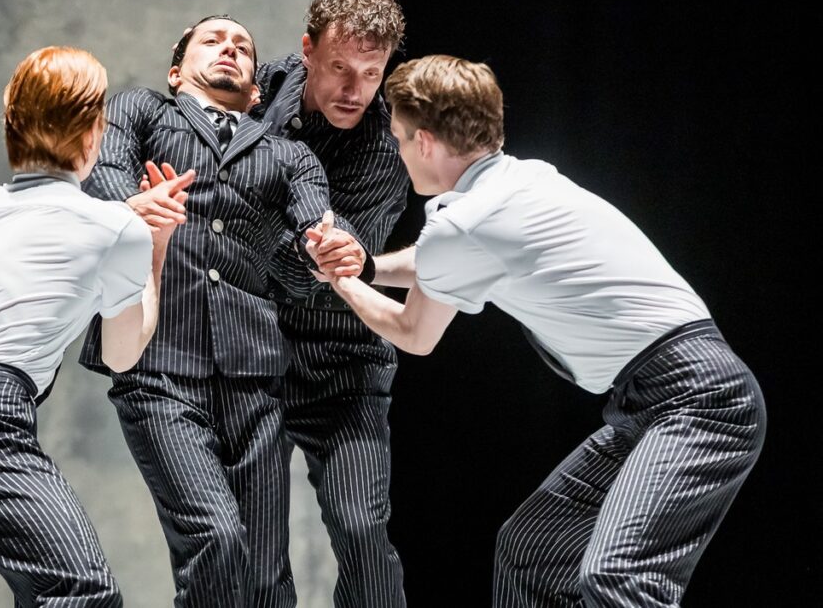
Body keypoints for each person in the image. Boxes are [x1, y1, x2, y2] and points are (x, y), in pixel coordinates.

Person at [308, 54, 767, 607]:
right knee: (531, 548)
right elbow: (443, 260)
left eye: (402, 140)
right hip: (653, 400)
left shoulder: (463, 222)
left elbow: (414, 332)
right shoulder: (520, 180)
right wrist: (369, 268)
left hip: (699, 401)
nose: (401, 154)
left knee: (618, 579)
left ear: (426, 142)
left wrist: (338, 281)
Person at [77, 15, 368, 607]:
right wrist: (133, 206)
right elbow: (103, 170)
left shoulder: (288, 156)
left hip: (254, 379)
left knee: (265, 573)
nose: (230, 50)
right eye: (212, 41)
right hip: (158, 367)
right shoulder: (143, 111)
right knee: (213, 537)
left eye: (243, 47)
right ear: (176, 69)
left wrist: (331, 249)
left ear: (258, 89)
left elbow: (313, 227)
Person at [0, 45, 190, 607]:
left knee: (46, 591)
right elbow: (124, 354)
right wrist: (153, 247)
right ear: (89, 136)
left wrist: (125, 217)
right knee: (84, 594)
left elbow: (49, 237)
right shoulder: (114, 227)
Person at [248, 0, 410, 607]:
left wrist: (254, 226)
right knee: (253, 547)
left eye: (370, 73)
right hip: (253, 355)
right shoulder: (271, 81)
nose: (353, 90)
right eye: (339, 67)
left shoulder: (382, 149)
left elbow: (323, 275)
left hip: (343, 362)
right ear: (308, 50)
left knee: (361, 527)